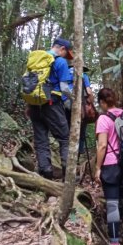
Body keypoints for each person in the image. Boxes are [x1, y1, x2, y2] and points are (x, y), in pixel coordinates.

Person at [95, 88, 123, 245]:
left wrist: (98, 168)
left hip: (111, 164)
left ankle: (114, 241)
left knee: (112, 204)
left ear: (103, 103)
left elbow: (102, 145)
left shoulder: (104, 119)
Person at [27, 38, 73, 180]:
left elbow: (29, 85)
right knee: (64, 139)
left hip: (35, 104)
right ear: (62, 49)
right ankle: (68, 175)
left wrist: (28, 105)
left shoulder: (36, 60)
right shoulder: (60, 61)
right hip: (52, 103)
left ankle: (45, 173)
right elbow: (65, 88)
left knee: (41, 139)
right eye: (67, 53)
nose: (66, 57)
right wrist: (72, 104)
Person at [65, 63, 95, 155]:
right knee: (82, 128)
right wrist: (91, 103)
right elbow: (89, 91)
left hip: (66, 103)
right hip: (79, 104)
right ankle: (80, 151)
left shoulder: (66, 74)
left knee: (68, 126)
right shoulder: (83, 75)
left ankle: (67, 151)